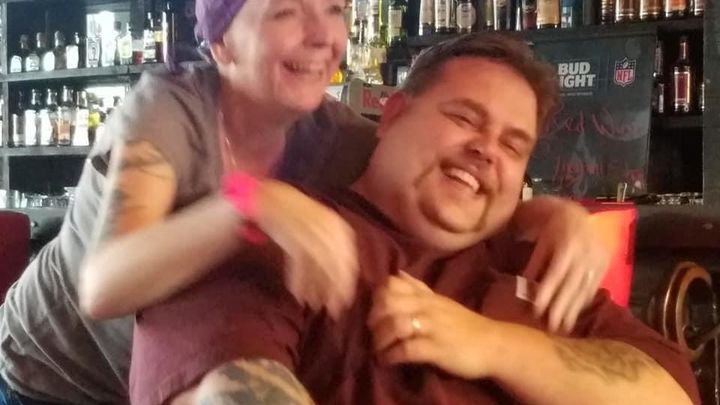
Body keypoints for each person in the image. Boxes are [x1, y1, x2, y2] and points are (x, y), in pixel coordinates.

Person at [1, 1, 605, 405]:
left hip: (164, 378)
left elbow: (441, 174)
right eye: (287, 10)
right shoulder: (166, 111)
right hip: (53, 374)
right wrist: (249, 204)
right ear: (222, 44)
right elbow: (103, 286)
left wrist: (552, 214)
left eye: (335, 9)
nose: (323, 36)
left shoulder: (332, 131)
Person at [126, 33, 700, 405]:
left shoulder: (532, 263)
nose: (486, 151)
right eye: (464, 118)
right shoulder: (289, 234)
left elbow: (669, 392)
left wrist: (490, 344)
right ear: (394, 114)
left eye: (513, 145)